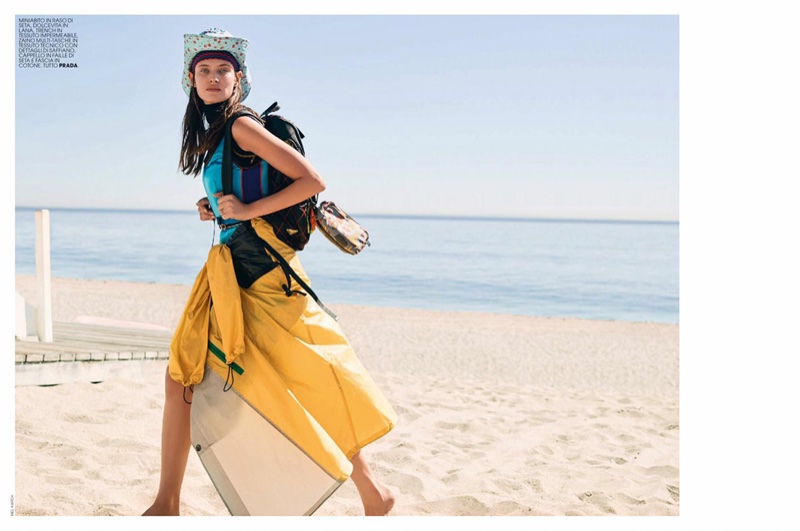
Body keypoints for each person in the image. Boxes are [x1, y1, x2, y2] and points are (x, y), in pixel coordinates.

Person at [143, 28, 397, 517]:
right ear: (192, 82)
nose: (214, 78)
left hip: (260, 274)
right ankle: (166, 502)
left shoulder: (240, 126)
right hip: (233, 271)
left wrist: (243, 212)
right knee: (189, 374)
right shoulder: (219, 133)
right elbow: (241, 198)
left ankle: (166, 503)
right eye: (204, 71)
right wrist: (218, 209)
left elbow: (312, 181)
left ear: (239, 80)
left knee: (215, 375)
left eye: (223, 71)